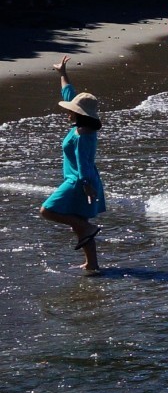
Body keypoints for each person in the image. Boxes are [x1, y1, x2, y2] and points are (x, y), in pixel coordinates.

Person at [39, 60, 105, 276]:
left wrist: (85, 185)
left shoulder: (82, 134)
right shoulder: (81, 126)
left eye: (72, 109)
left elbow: (83, 162)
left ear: (80, 114)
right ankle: (92, 264)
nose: (68, 110)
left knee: (47, 210)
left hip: (78, 181)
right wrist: (63, 73)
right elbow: (70, 94)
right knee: (80, 222)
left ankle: (87, 232)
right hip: (82, 180)